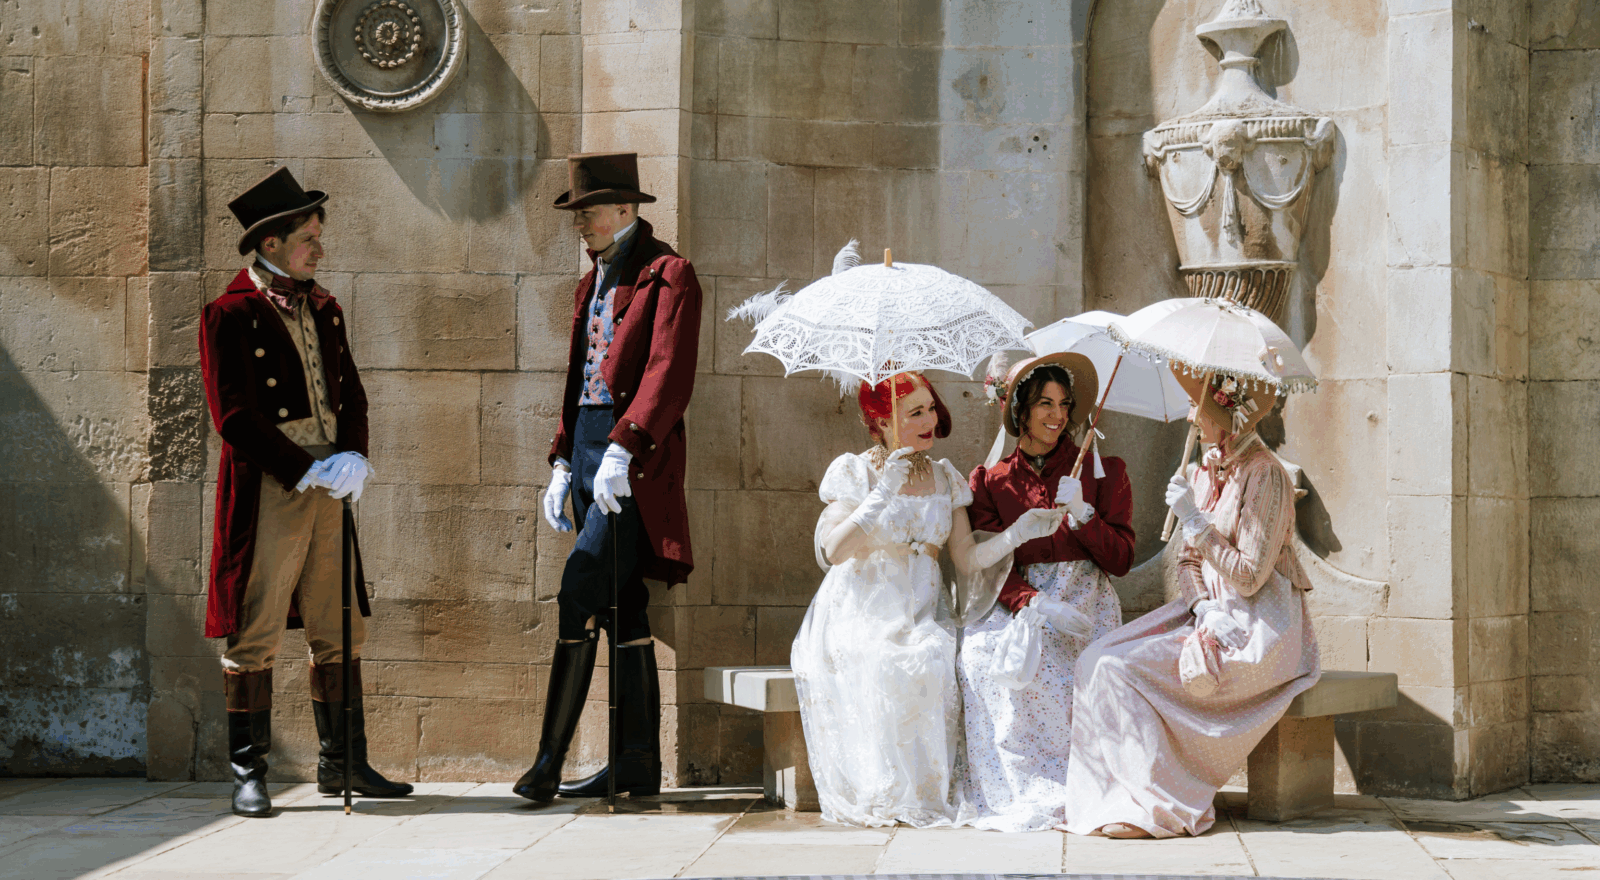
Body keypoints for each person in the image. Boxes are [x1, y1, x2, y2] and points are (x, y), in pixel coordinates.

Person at [201, 167, 413, 818]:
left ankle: (342, 764)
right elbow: (232, 415)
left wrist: (353, 456)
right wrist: (304, 467)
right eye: (307, 238)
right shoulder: (229, 314)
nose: (318, 249)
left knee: (339, 625)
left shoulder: (325, 306)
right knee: (255, 630)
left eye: (318, 237)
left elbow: (350, 392)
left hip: (331, 483)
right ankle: (250, 774)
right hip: (273, 483)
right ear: (270, 243)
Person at [515, 153, 703, 803]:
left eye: (588, 211)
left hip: (634, 456)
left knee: (579, 590)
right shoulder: (590, 280)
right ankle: (636, 764)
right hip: (591, 444)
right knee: (624, 605)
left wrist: (625, 448)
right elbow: (580, 380)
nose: (581, 224)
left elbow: (668, 373)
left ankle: (546, 762)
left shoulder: (669, 274)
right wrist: (565, 458)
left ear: (625, 209)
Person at [1062, 371, 1320, 839]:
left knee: (1124, 671)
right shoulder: (1203, 470)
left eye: (1196, 407)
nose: (1189, 416)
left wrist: (1194, 519)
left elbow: (1248, 575)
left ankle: (1160, 806)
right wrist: (1202, 607)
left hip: (1260, 628)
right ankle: (1111, 797)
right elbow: (1186, 560)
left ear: (1226, 413)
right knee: (1094, 659)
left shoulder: (1268, 476)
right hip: (1209, 613)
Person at [955, 352, 1135, 832]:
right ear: (1019, 411)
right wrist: (1031, 602)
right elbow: (989, 565)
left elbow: (1120, 560)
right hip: (1019, 599)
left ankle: (1078, 783)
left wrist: (1085, 515)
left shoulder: (1103, 472)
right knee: (980, 656)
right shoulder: (989, 481)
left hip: (1085, 598)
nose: (1057, 415)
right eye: (1043, 403)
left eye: (1063, 403)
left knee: (1060, 663)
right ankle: (1017, 785)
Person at [790, 372, 972, 827]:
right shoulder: (856, 470)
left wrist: (1022, 531)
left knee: (933, 655)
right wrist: (883, 492)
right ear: (882, 422)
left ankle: (925, 794)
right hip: (862, 606)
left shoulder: (946, 476)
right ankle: (885, 791)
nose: (930, 419)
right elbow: (834, 551)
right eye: (915, 413)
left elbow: (967, 559)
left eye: (931, 407)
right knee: (882, 659)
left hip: (922, 608)